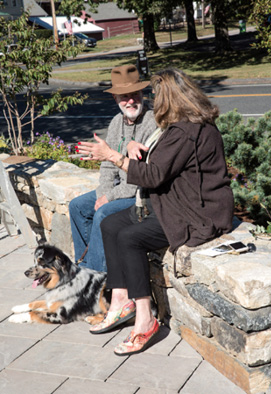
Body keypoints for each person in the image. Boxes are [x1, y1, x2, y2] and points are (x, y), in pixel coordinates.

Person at [77, 68, 234, 356]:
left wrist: (113, 155)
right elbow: (166, 161)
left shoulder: (186, 131)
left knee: (129, 238)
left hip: (197, 215)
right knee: (110, 224)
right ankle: (121, 301)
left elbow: (152, 176)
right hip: (176, 202)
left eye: (156, 95)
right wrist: (138, 148)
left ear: (169, 98)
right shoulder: (182, 125)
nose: (152, 100)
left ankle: (145, 319)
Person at [69, 64, 156, 272]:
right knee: (77, 206)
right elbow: (107, 166)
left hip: (140, 194)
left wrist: (108, 198)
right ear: (115, 99)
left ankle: (100, 277)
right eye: (124, 97)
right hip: (118, 190)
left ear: (142, 94)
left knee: (103, 214)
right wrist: (103, 193)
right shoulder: (117, 122)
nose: (131, 101)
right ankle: (85, 269)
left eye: (135, 94)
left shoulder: (151, 122)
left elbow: (138, 179)